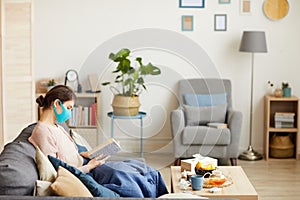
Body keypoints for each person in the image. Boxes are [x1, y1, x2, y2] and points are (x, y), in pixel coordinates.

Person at [28, 85, 168, 198]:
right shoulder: (42, 132)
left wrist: (87, 154)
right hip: (86, 172)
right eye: (69, 108)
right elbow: (59, 170)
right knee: (128, 178)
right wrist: (89, 167)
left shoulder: (55, 125)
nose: (69, 113)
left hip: (87, 164)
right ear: (57, 104)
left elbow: (67, 153)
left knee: (138, 167)